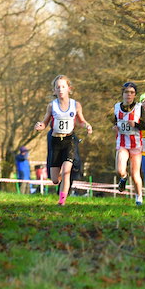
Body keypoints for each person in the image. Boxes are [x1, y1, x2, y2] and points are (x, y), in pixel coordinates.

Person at [34, 75, 93, 205]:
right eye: (58, 87)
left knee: (66, 171)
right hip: (55, 141)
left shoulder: (75, 105)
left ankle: (62, 201)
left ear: (69, 89)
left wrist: (87, 126)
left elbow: (81, 121)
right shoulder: (52, 106)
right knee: (55, 179)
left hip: (69, 141)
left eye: (63, 87)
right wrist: (40, 126)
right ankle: (60, 183)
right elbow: (45, 123)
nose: (60, 90)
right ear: (54, 91)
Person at [113, 81, 145, 205]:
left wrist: (136, 124)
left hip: (136, 145)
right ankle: (123, 178)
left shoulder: (139, 108)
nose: (129, 95)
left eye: (132, 93)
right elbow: (115, 122)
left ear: (135, 95)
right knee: (120, 170)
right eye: (126, 92)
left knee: (135, 173)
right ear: (123, 94)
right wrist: (115, 127)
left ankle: (139, 197)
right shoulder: (116, 107)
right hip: (122, 143)